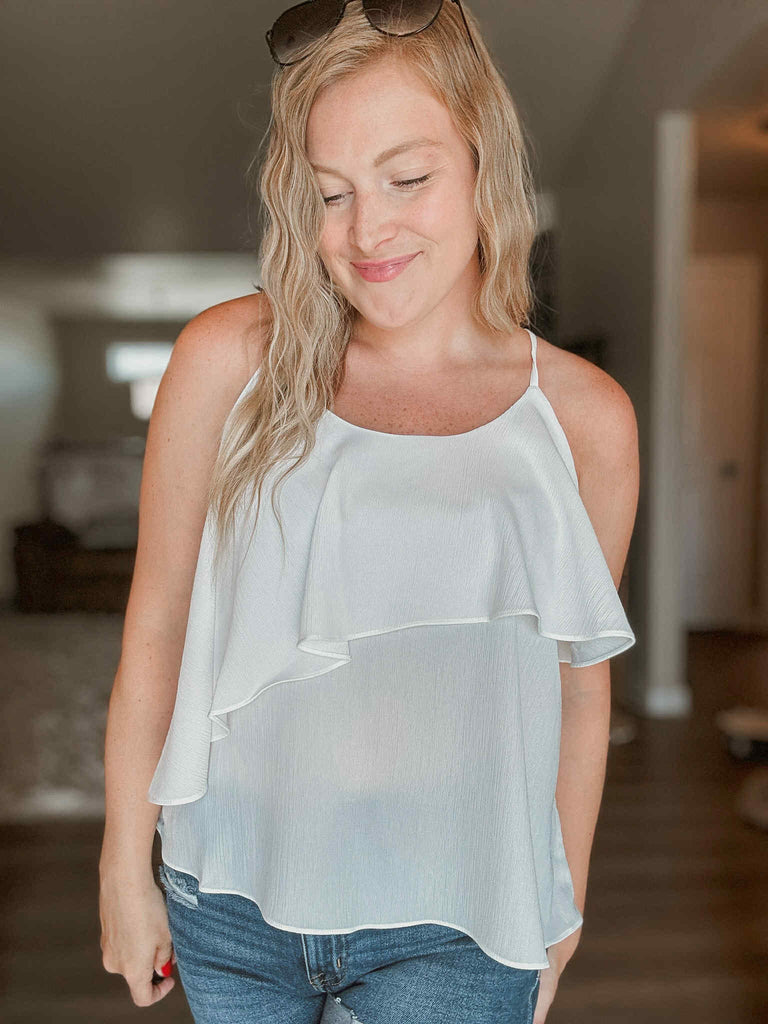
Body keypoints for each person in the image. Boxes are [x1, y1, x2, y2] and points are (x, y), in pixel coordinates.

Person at [99, 2, 639, 1022]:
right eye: (331, 193)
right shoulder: (226, 360)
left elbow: (578, 689)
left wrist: (558, 905)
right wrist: (122, 868)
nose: (366, 231)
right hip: (230, 894)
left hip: (461, 917)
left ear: (483, 162)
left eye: (408, 178)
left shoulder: (581, 419)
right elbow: (158, 625)